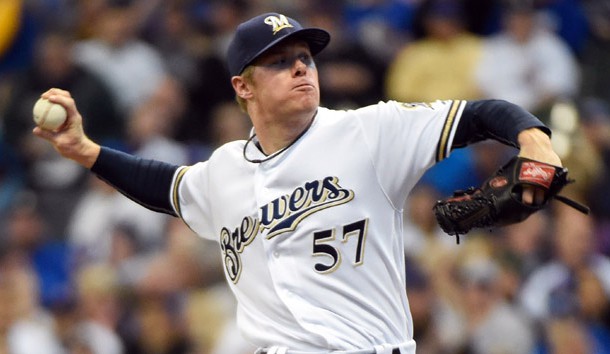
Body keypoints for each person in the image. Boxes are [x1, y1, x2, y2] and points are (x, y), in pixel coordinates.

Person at [33, 12, 564, 354]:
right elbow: (166, 187)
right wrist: (87, 152)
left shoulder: (367, 131)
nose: (301, 68)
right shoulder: (223, 171)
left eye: (305, 58)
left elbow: (480, 113)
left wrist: (534, 138)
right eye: (280, 62)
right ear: (243, 87)